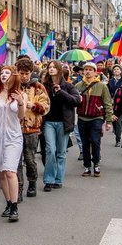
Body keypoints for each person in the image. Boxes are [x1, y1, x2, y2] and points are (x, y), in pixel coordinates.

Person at [0, 65, 26, 222]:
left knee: (10, 171)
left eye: (7, 73)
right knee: (2, 172)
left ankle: (15, 206)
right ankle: (8, 203)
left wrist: (21, 103)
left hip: (14, 137)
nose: (3, 75)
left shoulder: (19, 94)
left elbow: (21, 117)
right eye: (2, 73)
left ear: (13, 76)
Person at [41, 61, 80, 191]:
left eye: (53, 67)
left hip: (63, 122)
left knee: (61, 152)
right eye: (49, 67)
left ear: (59, 70)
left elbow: (76, 101)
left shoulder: (68, 86)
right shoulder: (44, 86)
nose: (51, 69)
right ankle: (49, 179)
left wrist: (61, 92)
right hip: (48, 122)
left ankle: (58, 179)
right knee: (50, 150)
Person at [16, 58, 50, 201]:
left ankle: (32, 182)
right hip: (15, 128)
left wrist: (33, 105)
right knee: (16, 161)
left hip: (31, 128)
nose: (24, 76)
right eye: (21, 73)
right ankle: (18, 188)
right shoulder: (13, 86)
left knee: (30, 159)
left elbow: (46, 107)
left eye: (27, 73)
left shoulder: (38, 87)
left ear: (31, 73)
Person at [74, 61, 114, 177]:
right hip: (82, 118)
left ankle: (96, 163)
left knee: (95, 141)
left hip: (96, 118)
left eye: (90, 70)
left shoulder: (101, 86)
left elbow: (107, 103)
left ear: (95, 72)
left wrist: (109, 121)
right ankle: (87, 166)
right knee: (85, 143)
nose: (87, 71)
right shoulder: (78, 86)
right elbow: (74, 101)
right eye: (85, 69)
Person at [107, 64, 122, 147]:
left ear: (121, 71)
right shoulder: (110, 81)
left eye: (118, 69)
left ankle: (118, 140)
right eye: (114, 69)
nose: (116, 71)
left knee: (118, 121)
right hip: (112, 103)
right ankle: (116, 132)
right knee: (114, 121)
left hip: (121, 103)